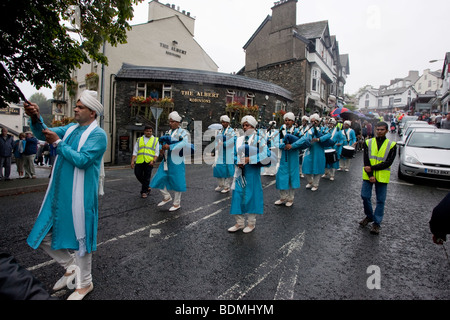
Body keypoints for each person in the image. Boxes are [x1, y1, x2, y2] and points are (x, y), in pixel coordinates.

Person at [24, 90, 107, 300]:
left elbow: (83, 160)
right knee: (41, 235)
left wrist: (59, 143)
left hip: (80, 196)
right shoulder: (70, 128)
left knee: (82, 239)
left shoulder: (99, 135)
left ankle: (85, 283)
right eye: (76, 106)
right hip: (58, 193)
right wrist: (35, 117)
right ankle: (71, 266)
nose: (76, 109)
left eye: (80, 107)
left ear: (92, 112)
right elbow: (44, 132)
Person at [228, 115, 275, 233]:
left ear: (253, 127)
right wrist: (237, 162)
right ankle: (239, 223)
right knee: (237, 196)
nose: (245, 127)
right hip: (239, 172)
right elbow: (233, 154)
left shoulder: (259, 139)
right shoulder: (238, 139)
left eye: (247, 125)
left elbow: (266, 154)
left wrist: (250, 159)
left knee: (251, 196)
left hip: (252, 172)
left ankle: (251, 223)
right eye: (243, 125)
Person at [359, 121, 397, 235]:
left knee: (380, 201)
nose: (379, 131)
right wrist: (370, 174)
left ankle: (376, 223)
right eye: (378, 129)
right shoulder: (368, 142)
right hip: (368, 174)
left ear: (386, 131)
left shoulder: (392, 145)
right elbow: (365, 159)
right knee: (365, 196)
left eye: (382, 129)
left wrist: (372, 168)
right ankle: (369, 216)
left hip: (382, 175)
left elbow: (388, 162)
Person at [150, 111, 188, 212]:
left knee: (177, 181)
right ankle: (166, 197)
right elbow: (163, 143)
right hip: (167, 160)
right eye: (169, 121)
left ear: (177, 122)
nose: (170, 123)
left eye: (172, 121)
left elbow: (184, 144)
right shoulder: (168, 132)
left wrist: (170, 146)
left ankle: (176, 204)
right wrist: (162, 149)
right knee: (158, 177)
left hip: (177, 160)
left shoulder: (183, 132)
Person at [274, 112, 310, 206]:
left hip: (293, 156)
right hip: (283, 156)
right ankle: (283, 197)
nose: (287, 122)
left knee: (292, 177)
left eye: (289, 120)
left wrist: (292, 146)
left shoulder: (298, 131)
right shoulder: (281, 130)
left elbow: (303, 140)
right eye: (286, 120)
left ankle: (290, 198)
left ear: (293, 121)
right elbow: (277, 142)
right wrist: (284, 146)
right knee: (281, 176)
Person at [302, 114, 331, 191]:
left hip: (318, 150)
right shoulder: (308, 129)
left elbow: (328, 135)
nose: (313, 122)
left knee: (317, 166)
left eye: (315, 121)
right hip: (309, 150)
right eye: (311, 121)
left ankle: (316, 184)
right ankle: (310, 181)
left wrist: (319, 139)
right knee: (306, 165)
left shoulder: (323, 129)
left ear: (318, 121)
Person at [131, 125, 159, 198]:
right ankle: (147, 186)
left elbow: (156, 152)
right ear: (144, 131)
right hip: (139, 161)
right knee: (137, 174)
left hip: (149, 161)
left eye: (150, 131)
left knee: (147, 177)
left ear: (152, 132)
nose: (149, 132)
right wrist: (132, 161)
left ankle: (144, 192)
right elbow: (135, 151)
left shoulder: (155, 140)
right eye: (147, 131)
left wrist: (154, 161)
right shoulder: (139, 139)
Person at [213, 115, 236, 193]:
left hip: (228, 152)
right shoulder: (220, 131)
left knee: (227, 169)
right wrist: (216, 147)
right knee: (218, 168)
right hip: (220, 152)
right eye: (222, 122)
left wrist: (224, 143)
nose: (223, 123)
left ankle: (227, 186)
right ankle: (220, 184)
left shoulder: (232, 131)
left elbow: (233, 140)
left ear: (228, 123)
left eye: (224, 122)